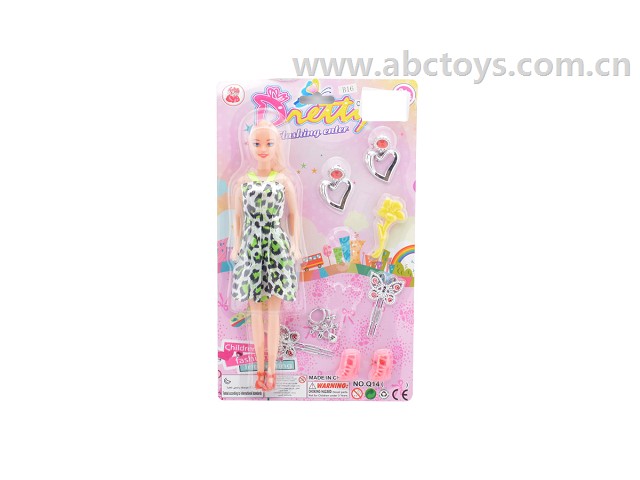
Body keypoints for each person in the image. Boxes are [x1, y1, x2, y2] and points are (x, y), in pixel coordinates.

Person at [230, 121, 301, 391]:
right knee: (255, 312)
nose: (263, 149)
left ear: (277, 146)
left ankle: (272, 372)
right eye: (257, 143)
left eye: (269, 143)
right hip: (250, 249)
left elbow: (293, 215)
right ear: (248, 145)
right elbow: (238, 218)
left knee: (273, 312)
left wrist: (294, 244)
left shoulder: (283, 181)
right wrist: (237, 244)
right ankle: (259, 370)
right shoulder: (243, 183)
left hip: (276, 247)